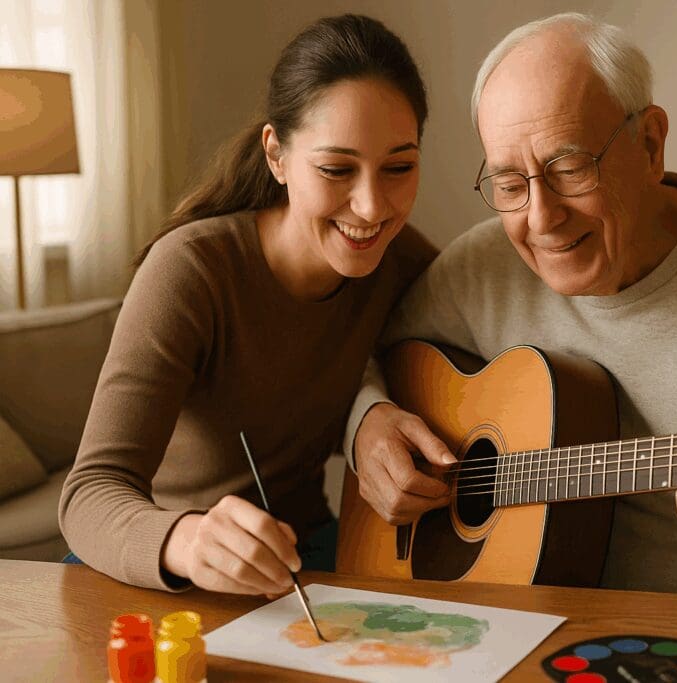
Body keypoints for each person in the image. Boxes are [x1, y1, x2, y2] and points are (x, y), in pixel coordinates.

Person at [344, 13, 677, 603]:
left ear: (649, 144)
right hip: (521, 628)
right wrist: (366, 425)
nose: (541, 218)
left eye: (570, 168)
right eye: (508, 184)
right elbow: (361, 361)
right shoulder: (482, 268)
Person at [58, 15, 445, 595]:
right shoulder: (191, 270)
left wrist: (372, 409)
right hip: (154, 568)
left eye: (399, 167)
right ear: (277, 155)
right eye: (336, 169)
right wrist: (186, 541)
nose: (371, 207)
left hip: (305, 555)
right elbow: (89, 493)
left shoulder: (402, 262)